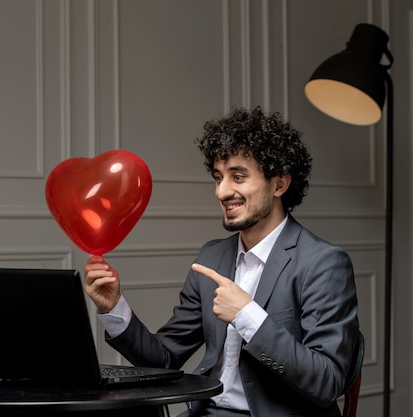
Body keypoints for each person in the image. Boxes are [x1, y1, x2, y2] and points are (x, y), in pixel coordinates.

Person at [84, 106, 359, 417]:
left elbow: (327, 382)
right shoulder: (212, 257)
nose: (222, 191)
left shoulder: (323, 263)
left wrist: (247, 315)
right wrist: (113, 307)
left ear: (280, 184)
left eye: (238, 176)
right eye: (218, 177)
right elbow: (163, 360)